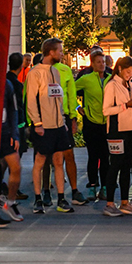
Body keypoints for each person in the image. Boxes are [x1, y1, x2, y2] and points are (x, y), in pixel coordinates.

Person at [26, 38, 74, 214]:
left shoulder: (56, 72)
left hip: (58, 125)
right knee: (40, 160)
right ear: (51, 52)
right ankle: (38, 199)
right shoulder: (35, 73)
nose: (62, 53)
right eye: (60, 50)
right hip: (43, 125)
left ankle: (61, 198)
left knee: (58, 160)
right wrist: (37, 123)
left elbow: (58, 98)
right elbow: (31, 100)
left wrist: (62, 120)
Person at [102, 56, 132, 217]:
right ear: (119, 69)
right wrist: (125, 105)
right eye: (128, 72)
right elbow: (106, 110)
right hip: (116, 130)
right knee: (116, 165)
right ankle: (110, 203)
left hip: (131, 130)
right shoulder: (112, 85)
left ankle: (125, 202)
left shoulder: (130, 85)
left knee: (128, 165)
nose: (130, 75)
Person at [75, 50, 110, 202]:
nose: (101, 64)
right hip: (91, 122)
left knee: (105, 157)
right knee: (93, 156)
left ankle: (104, 187)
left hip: (107, 123)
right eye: (98, 62)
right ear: (92, 63)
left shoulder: (110, 79)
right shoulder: (86, 78)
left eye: (103, 62)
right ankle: (92, 186)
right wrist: (77, 107)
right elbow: (69, 91)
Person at [52, 58, 87, 206]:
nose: (61, 53)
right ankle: (46, 191)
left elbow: (71, 95)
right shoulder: (39, 70)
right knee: (50, 157)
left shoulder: (65, 69)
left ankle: (74, 191)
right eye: (59, 50)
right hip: (47, 117)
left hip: (64, 116)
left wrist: (73, 117)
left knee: (68, 154)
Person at [0, 78, 23, 222]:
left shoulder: (7, 84)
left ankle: (11, 202)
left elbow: (13, 110)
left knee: (16, 167)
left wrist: (15, 133)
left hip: (5, 133)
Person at [6, 53, 28, 199]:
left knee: (3, 160)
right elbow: (19, 106)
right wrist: (24, 124)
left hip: (4, 125)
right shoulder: (17, 85)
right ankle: (13, 192)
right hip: (16, 124)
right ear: (21, 65)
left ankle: (2, 188)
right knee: (15, 161)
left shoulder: (5, 80)